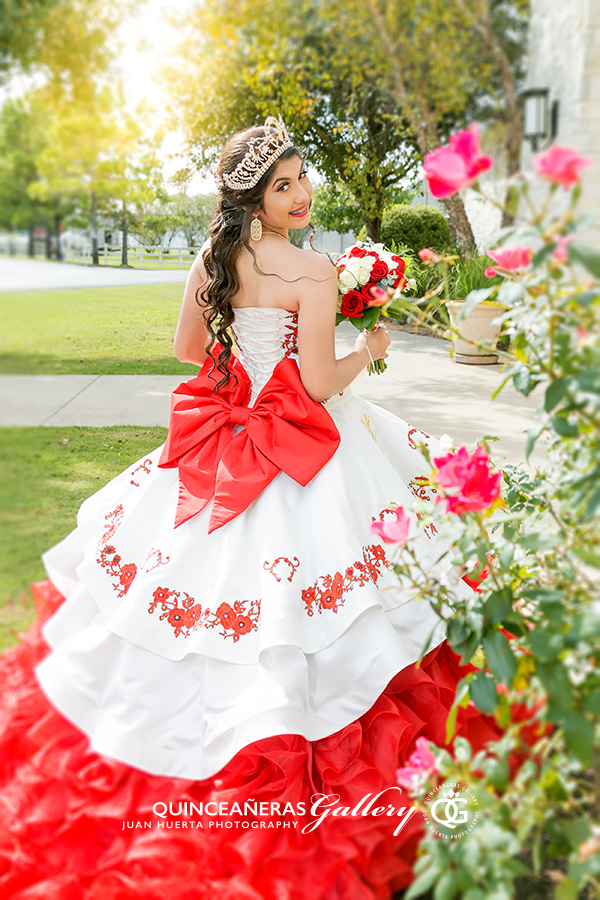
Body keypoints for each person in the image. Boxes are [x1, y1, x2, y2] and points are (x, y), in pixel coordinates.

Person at [0, 115, 503, 899]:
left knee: (182, 591)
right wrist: (368, 351)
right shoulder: (313, 269)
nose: (301, 194)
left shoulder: (213, 256)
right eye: (284, 185)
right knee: (351, 597)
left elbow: (186, 350)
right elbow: (317, 386)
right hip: (307, 438)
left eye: (301, 178)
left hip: (224, 428)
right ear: (255, 197)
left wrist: (241, 377)